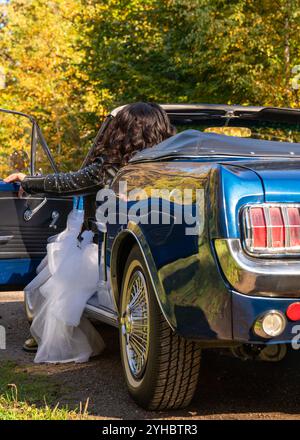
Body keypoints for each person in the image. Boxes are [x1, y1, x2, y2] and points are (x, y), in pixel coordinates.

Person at [4, 102, 175, 363]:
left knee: (59, 271)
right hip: (162, 249)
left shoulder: (110, 168)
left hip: (104, 253)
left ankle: (52, 335)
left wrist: (27, 181)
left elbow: (66, 183)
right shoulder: (173, 169)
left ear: (123, 131)